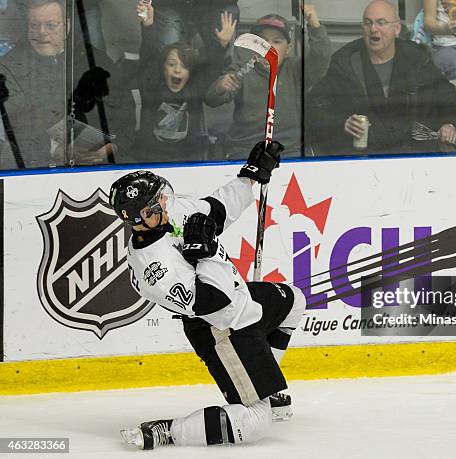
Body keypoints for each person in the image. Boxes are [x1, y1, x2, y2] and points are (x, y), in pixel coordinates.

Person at [109, 140, 307, 450]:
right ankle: (168, 431)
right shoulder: (153, 269)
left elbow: (216, 209)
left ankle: (265, 386)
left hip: (242, 301)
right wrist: (208, 253)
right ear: (141, 218)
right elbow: (212, 302)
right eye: (155, 203)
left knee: (294, 301)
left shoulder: (168, 214)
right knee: (256, 421)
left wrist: (251, 175)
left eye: (160, 195)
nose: (164, 202)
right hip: (221, 329)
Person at [307, 0, 456, 156]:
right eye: (368, 23)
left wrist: (450, 124)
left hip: (413, 158)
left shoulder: (417, 59)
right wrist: (343, 124)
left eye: (381, 22)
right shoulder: (344, 62)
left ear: (397, 28)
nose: (373, 29)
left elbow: (453, 101)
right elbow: (314, 110)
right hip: (362, 160)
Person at [0, 0, 134, 168]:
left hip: (101, 164)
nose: (41, 32)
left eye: (50, 25)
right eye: (34, 25)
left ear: (66, 27)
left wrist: (113, 146)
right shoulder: (9, 67)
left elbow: (124, 109)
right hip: (37, 168)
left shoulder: (94, 60)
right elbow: (13, 129)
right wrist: (55, 150)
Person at [205, 6, 331, 159]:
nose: (268, 48)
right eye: (262, 42)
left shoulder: (296, 70)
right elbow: (212, 99)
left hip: (290, 152)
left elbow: (320, 60)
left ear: (289, 49)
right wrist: (220, 86)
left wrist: (315, 26)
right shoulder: (243, 68)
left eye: (276, 41)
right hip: (247, 151)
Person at [133, 33, 231, 162]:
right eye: (171, 64)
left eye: (184, 66)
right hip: (150, 159)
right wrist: (148, 28)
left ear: (190, 73)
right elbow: (148, 60)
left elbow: (211, 70)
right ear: (163, 68)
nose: (177, 70)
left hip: (185, 162)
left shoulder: (194, 89)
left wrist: (221, 45)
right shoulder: (152, 88)